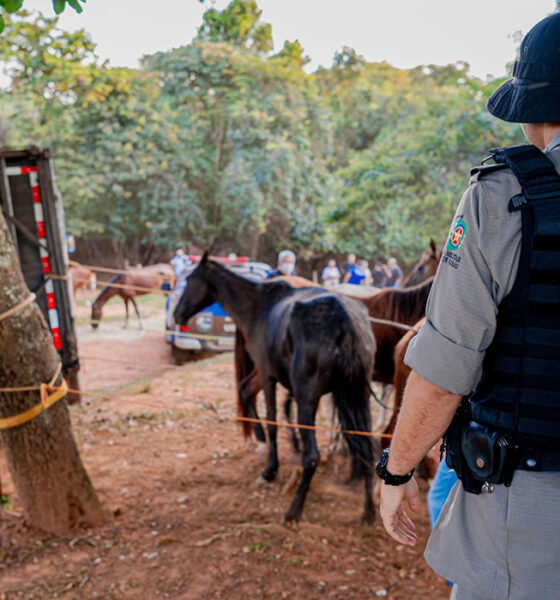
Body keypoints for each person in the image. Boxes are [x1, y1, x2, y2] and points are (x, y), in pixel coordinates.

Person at [378, 14, 560, 599]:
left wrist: (396, 469)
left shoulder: (501, 198)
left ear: (537, 110)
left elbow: (443, 373)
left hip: (531, 509)